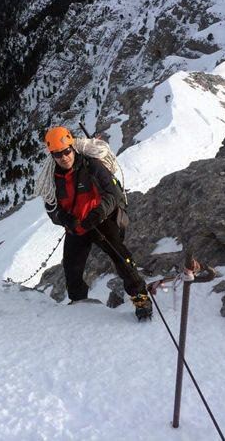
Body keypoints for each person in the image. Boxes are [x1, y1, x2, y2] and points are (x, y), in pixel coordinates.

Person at [42, 126, 153, 321]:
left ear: (72, 147)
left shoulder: (92, 166)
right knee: (71, 268)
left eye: (66, 151)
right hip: (76, 225)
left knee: (121, 257)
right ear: (52, 155)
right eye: (58, 154)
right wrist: (64, 219)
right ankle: (79, 304)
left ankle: (140, 298)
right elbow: (52, 208)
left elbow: (113, 194)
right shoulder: (51, 179)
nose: (64, 157)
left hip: (101, 220)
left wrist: (98, 213)